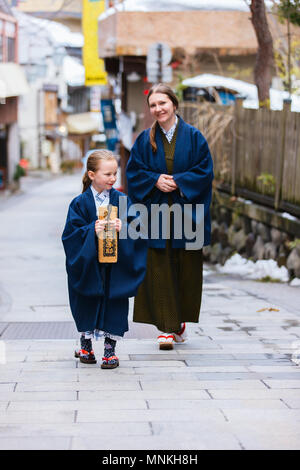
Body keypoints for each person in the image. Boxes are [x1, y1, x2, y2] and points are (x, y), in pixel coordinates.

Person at [126, 83, 214, 350]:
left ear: (174, 104)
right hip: (154, 213)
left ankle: (178, 322)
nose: (158, 109)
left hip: (185, 211)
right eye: (153, 105)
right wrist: (155, 180)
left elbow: (205, 171)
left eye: (162, 103)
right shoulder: (144, 139)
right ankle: (165, 328)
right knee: (158, 265)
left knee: (185, 266)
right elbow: (134, 172)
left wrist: (179, 181)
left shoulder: (195, 137)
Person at [62, 150, 147, 369]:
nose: (112, 178)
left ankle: (110, 349)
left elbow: (139, 230)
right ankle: (86, 344)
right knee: (85, 301)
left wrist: (125, 228)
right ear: (91, 174)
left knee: (114, 302)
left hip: (115, 267)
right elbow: (70, 235)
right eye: (107, 174)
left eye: (115, 174)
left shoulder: (123, 201)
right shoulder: (79, 203)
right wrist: (91, 229)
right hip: (89, 265)